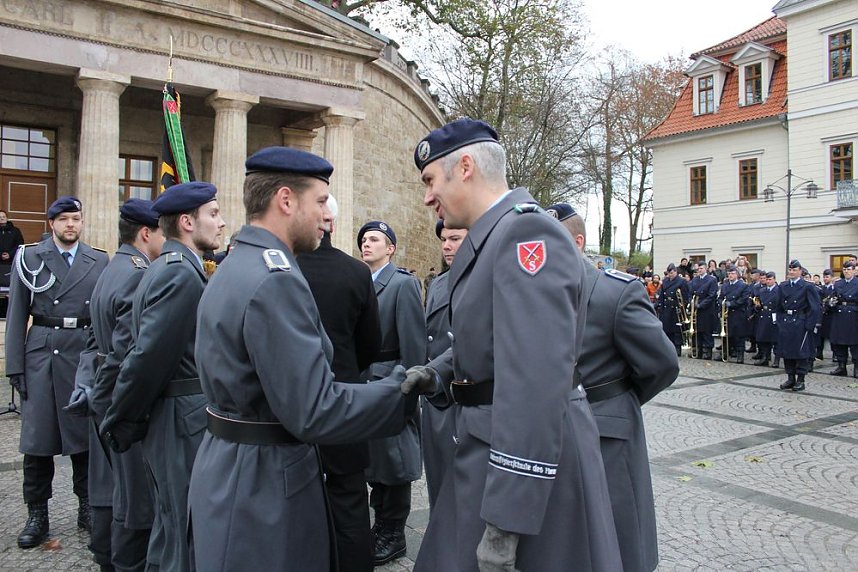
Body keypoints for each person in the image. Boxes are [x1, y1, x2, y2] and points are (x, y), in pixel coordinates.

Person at [187, 146, 428, 572]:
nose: (325, 215)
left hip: (231, 465)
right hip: (264, 480)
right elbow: (313, 408)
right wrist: (401, 393)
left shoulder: (235, 263)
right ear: (285, 200)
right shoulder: (275, 279)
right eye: (319, 201)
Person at [410, 118, 621, 571]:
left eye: (430, 180)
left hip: (524, 471)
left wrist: (506, 524)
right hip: (487, 448)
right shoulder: (494, 238)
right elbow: (495, 340)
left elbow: (534, 383)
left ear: (464, 167)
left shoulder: (527, 235)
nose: (428, 197)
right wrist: (441, 372)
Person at [100, 182, 225, 572]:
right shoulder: (179, 274)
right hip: (180, 420)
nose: (222, 223)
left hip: (175, 416)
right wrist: (123, 418)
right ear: (187, 222)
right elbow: (146, 359)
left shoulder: (171, 267)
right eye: (214, 214)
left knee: (170, 525)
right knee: (182, 529)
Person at [548, 202, 678, 572]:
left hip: (607, 430)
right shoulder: (539, 293)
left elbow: (662, 364)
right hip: (554, 429)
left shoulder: (617, 292)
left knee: (619, 529)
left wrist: (619, 399)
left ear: (578, 241)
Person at [5, 196, 109, 549]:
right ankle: (37, 515)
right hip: (42, 355)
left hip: (82, 353)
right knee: (38, 443)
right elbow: (18, 314)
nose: (70, 225)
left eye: (76, 219)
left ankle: (88, 508)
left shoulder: (99, 260)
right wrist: (14, 365)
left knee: (85, 442)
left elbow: (104, 315)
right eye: (63, 219)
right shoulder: (30, 257)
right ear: (52, 223)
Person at [67, 199, 163, 571]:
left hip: (104, 394)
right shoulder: (138, 273)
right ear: (145, 233)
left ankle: (106, 554)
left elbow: (94, 340)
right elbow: (127, 349)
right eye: (160, 232)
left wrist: (90, 386)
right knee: (135, 500)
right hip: (122, 399)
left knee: (111, 489)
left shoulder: (112, 267)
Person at [296, 194, 383, 572]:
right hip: (344, 399)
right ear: (332, 222)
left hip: (292, 404)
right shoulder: (356, 272)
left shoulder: (285, 267)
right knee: (349, 503)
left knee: (297, 505)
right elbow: (371, 345)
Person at [358, 219, 426, 565]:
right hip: (364, 383)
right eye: (364, 239)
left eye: (374, 239)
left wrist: (407, 386)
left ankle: (393, 532)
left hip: (392, 382)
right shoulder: (360, 283)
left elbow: (414, 345)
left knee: (395, 461)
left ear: (391, 248)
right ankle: (380, 523)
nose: (366, 244)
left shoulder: (401, 284)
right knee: (375, 461)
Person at [422, 219, 467, 510]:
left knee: (460, 486)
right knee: (437, 480)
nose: (447, 246)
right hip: (435, 396)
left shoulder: (479, 281)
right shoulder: (438, 282)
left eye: (455, 239)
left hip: (461, 395)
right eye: (443, 240)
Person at [775, 260, 821, 391]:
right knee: (787, 351)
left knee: (801, 352)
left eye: (794, 270)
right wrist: (779, 321)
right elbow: (778, 306)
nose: (791, 272)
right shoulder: (783, 286)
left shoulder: (807, 286)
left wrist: (809, 324)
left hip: (800, 321)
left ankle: (801, 379)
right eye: (790, 270)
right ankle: (790, 378)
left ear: (800, 271)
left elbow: (815, 307)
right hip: (786, 321)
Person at [829, 260, 858, 377]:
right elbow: (833, 296)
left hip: (853, 315)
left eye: (849, 269)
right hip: (839, 314)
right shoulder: (838, 283)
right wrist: (831, 303)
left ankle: (856, 367)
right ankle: (841, 366)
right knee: (839, 342)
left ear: (854, 270)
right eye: (844, 269)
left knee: (855, 343)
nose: (846, 271)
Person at [655, 263, 690, 357]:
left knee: (676, 330)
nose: (670, 275)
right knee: (666, 329)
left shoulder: (681, 282)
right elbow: (662, 295)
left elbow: (686, 296)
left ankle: (677, 348)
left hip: (676, 308)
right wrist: (659, 306)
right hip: (666, 308)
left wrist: (682, 307)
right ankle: (668, 348)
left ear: (675, 272)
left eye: (671, 273)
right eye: (668, 273)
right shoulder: (665, 281)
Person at [719, 265, 752, 363]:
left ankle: (740, 355)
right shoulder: (725, 285)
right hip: (727, 314)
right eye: (729, 274)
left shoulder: (743, 285)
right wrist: (722, 303)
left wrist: (732, 304)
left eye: (732, 273)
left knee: (739, 336)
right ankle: (726, 353)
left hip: (738, 313)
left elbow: (744, 299)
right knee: (727, 335)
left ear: (737, 275)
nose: (730, 275)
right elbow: (721, 297)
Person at [689, 263, 719, 360]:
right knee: (697, 331)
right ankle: (698, 350)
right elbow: (690, 293)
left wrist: (701, 305)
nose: (699, 270)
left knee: (706, 330)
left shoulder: (712, 280)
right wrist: (692, 303)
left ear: (706, 269)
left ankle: (707, 351)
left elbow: (712, 295)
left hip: (707, 309)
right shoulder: (695, 280)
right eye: (698, 269)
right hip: (696, 309)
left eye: (701, 268)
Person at [753, 272, 780, 367]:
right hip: (764, 315)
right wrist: (757, 307)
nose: (768, 281)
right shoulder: (762, 290)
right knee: (763, 338)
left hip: (774, 315)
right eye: (767, 279)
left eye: (770, 279)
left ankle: (776, 359)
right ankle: (765, 357)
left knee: (776, 339)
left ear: (774, 279)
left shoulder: (779, 290)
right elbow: (759, 303)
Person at [818, 269, 835, 361]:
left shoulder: (834, 288)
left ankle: (835, 354)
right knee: (821, 336)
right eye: (824, 277)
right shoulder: (821, 288)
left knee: (832, 335)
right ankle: (819, 353)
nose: (825, 279)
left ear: (831, 277)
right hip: (822, 315)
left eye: (827, 277)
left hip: (831, 315)